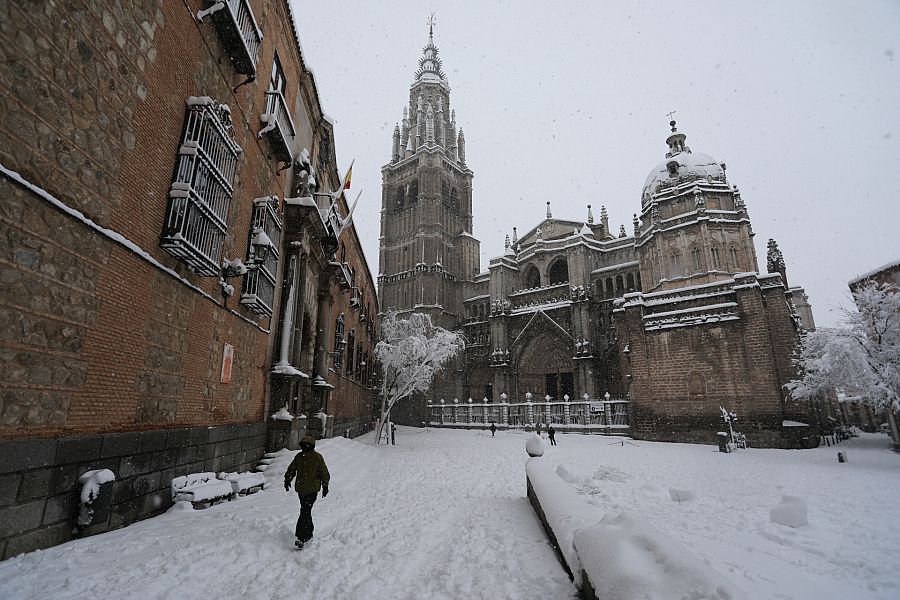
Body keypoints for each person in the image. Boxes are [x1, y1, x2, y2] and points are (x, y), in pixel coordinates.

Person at [284, 435, 330, 549]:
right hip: (301, 489)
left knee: (305, 510)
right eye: (304, 445)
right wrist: (287, 479)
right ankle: (309, 532)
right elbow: (292, 469)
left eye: (308, 445)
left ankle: (301, 537)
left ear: (312, 446)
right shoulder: (298, 457)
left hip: (312, 489)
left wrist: (325, 486)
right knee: (305, 511)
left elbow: (324, 472)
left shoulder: (318, 457)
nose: (306, 447)